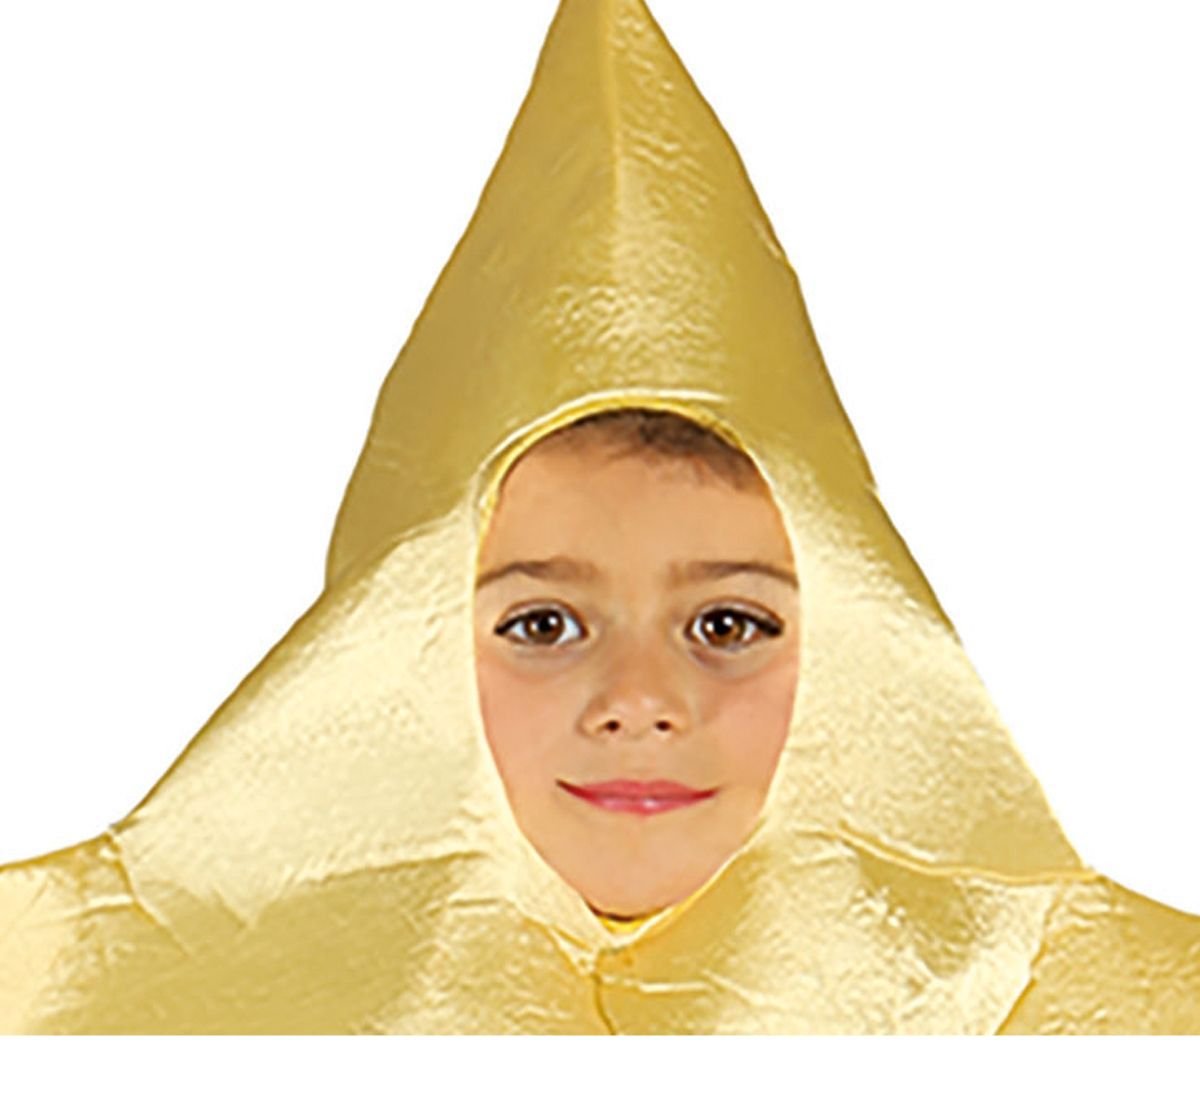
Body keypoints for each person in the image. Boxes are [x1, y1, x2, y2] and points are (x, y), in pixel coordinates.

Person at [1, 0, 1197, 1032]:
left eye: (728, 624)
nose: (639, 702)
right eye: (541, 625)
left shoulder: (1124, 1014)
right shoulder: (57, 1000)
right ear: (390, 654)